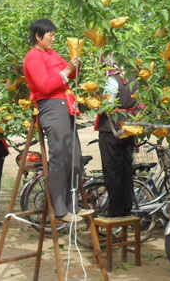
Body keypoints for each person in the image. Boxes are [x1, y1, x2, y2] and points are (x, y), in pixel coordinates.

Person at [22, 18, 92, 222]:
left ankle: (73, 204)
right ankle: (60, 209)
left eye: (54, 34)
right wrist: (67, 71)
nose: (53, 38)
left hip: (65, 106)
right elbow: (44, 86)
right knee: (59, 158)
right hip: (51, 107)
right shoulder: (33, 57)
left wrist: (76, 64)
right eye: (50, 34)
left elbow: (69, 73)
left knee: (75, 158)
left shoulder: (52, 54)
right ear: (38, 36)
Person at [95, 54, 140, 217]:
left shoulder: (112, 80)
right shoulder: (132, 78)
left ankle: (114, 209)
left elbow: (107, 105)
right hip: (129, 127)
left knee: (112, 170)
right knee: (126, 169)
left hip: (112, 128)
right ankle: (126, 207)